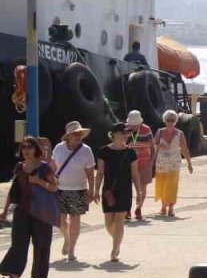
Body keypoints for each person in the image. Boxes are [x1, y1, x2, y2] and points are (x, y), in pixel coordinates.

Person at [1, 137, 59, 278]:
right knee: (18, 243)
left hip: (41, 212)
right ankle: (13, 275)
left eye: (29, 147)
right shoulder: (20, 167)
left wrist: (38, 181)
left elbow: (54, 187)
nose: (26, 150)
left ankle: (39, 276)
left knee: (41, 243)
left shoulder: (45, 168)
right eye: (23, 147)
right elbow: (14, 190)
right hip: (23, 211)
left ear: (36, 149)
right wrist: (5, 210)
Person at [51, 121, 96, 263]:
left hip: (78, 189)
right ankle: (67, 238)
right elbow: (53, 167)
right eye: (75, 134)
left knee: (75, 221)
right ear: (68, 136)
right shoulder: (58, 148)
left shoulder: (86, 150)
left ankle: (71, 250)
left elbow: (90, 173)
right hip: (60, 189)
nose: (78, 136)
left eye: (80, 134)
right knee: (59, 221)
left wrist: (91, 190)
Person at [96, 124, 139, 263]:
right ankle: (117, 240)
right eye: (123, 133)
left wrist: (139, 191)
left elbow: (135, 173)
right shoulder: (103, 151)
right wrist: (95, 190)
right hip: (109, 190)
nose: (126, 135)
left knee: (119, 220)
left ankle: (114, 250)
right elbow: (100, 173)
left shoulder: (131, 152)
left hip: (125, 189)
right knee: (109, 222)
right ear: (114, 134)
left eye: (127, 133)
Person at [153, 110, 193, 218]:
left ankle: (170, 207)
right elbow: (153, 148)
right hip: (161, 163)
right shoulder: (159, 132)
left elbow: (185, 149)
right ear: (164, 121)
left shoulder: (179, 134)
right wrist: (158, 147)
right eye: (168, 120)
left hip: (174, 163)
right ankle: (163, 206)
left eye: (172, 120)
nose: (170, 122)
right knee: (162, 185)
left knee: (172, 186)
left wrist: (189, 163)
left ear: (176, 121)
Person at [124, 110, 156, 220]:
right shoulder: (124, 129)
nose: (132, 126)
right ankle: (127, 210)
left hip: (144, 162)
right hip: (128, 164)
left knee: (142, 187)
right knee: (126, 188)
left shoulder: (146, 129)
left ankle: (139, 208)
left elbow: (152, 147)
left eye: (134, 125)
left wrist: (151, 162)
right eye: (131, 124)